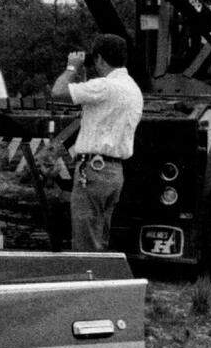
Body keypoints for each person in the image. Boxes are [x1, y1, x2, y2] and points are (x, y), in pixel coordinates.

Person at [51, 34, 144, 251]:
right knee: (99, 238)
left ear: (100, 59)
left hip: (93, 172)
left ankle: (87, 281)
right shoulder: (132, 88)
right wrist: (84, 77)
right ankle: (101, 280)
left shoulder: (105, 86)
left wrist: (72, 68)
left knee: (85, 242)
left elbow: (58, 92)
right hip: (113, 173)